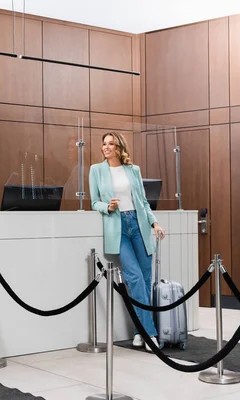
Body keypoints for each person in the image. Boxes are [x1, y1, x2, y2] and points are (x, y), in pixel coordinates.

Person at [89, 131, 166, 352]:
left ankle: (138, 331)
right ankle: (150, 333)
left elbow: (142, 201)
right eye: (104, 144)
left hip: (138, 225)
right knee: (134, 278)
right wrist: (108, 207)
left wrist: (154, 223)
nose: (106, 147)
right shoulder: (96, 170)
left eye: (111, 144)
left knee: (146, 278)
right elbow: (94, 202)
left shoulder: (133, 170)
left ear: (119, 147)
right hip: (118, 226)